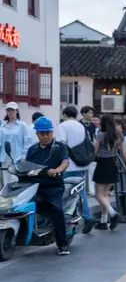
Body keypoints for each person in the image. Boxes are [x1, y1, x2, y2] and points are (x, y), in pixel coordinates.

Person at [26, 117, 70, 255]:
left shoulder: (59, 147)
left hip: (53, 186)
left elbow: (65, 162)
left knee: (56, 209)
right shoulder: (32, 149)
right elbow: (26, 166)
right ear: (37, 134)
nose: (45, 136)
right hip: (34, 187)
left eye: (48, 132)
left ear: (52, 132)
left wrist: (57, 170)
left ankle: (62, 244)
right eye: (41, 133)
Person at [56, 106, 97, 234]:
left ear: (64, 114)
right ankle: (86, 217)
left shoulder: (63, 126)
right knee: (80, 191)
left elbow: (60, 144)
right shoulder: (81, 126)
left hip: (68, 164)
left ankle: (72, 219)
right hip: (81, 163)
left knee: (66, 193)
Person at [93, 115, 126, 231]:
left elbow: (95, 151)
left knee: (98, 194)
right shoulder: (120, 135)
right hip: (113, 164)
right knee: (105, 194)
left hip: (102, 163)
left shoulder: (101, 135)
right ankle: (103, 221)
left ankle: (113, 214)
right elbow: (124, 153)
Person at [0, 102, 36, 186]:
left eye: (12, 110)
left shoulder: (22, 125)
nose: (10, 112)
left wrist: (23, 157)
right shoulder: (2, 127)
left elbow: (28, 142)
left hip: (18, 158)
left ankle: (16, 199)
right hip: (5, 158)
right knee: (6, 180)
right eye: (9, 110)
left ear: (16, 111)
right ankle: (7, 199)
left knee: (16, 180)